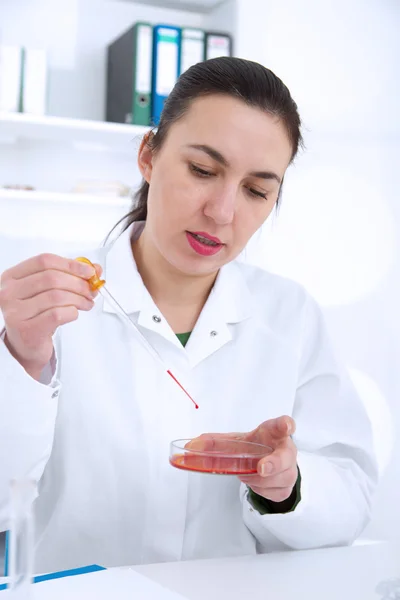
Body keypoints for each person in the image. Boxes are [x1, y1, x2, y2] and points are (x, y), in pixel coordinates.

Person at [0, 57, 378, 574]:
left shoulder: (291, 316)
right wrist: (21, 358)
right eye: (203, 170)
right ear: (148, 156)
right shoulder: (39, 305)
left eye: (256, 190)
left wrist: (287, 487)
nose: (223, 212)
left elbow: (352, 497)